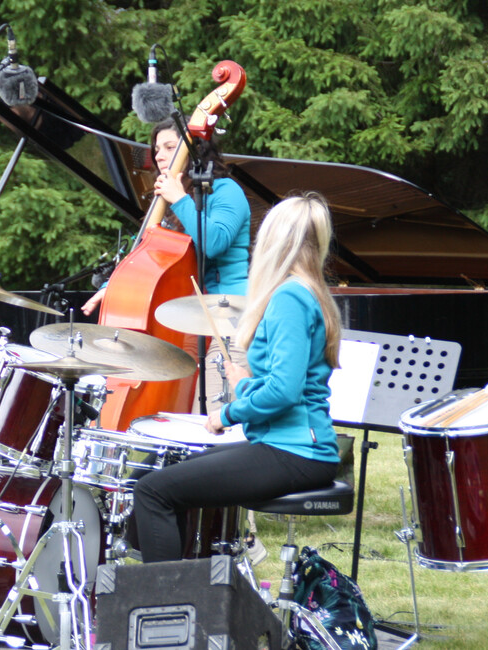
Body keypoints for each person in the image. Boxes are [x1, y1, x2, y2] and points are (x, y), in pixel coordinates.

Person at [132, 193, 343, 563]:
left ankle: (166, 608)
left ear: (274, 240)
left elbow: (284, 392)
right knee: (165, 469)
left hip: (295, 452)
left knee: (153, 492)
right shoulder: (308, 292)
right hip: (294, 445)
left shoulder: (289, 298)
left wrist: (226, 414)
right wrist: (244, 382)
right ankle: (193, 592)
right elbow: (290, 383)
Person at [81, 119, 252, 409]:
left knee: (214, 410)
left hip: (232, 321)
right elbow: (149, 257)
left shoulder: (226, 191)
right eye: (157, 148)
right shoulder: (168, 203)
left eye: (170, 147)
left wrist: (180, 198)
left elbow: (215, 243)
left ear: (195, 152)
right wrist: (112, 287)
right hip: (191, 323)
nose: (159, 155)